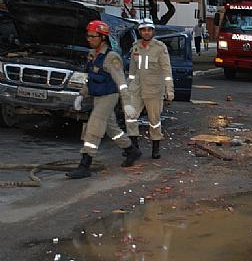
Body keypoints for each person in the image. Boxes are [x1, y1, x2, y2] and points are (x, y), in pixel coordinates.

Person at [67, 20, 140, 179]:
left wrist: (127, 104)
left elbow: (121, 83)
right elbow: (91, 79)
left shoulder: (111, 57)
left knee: (94, 126)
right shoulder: (92, 55)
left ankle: (85, 164)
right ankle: (131, 150)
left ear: (103, 38)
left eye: (93, 36)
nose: (89, 39)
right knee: (111, 128)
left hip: (109, 96)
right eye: (88, 36)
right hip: (97, 97)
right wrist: (81, 94)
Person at [126, 18, 175, 159]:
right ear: (140, 31)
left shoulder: (160, 48)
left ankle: (155, 147)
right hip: (136, 88)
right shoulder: (135, 47)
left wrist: (169, 90)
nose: (146, 32)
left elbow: (167, 70)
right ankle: (134, 147)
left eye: (149, 30)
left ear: (153, 31)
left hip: (154, 89)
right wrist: (128, 88)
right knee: (130, 117)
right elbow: (132, 71)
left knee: (154, 120)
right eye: (143, 30)